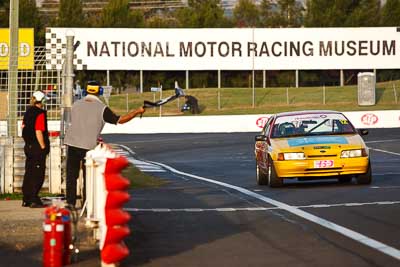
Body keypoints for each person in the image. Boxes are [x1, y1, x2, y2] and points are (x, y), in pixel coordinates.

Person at [64, 81, 145, 208]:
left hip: (72, 142)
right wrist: (136, 111)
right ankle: (88, 203)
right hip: (89, 146)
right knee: (88, 176)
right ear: (99, 91)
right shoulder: (102, 108)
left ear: (86, 91)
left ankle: (70, 202)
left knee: (71, 175)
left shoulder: (76, 104)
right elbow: (120, 120)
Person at [21, 91, 50, 208]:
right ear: (41, 101)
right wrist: (43, 146)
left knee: (29, 171)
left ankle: (26, 198)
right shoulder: (40, 114)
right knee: (37, 173)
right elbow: (38, 131)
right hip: (37, 147)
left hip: (28, 146)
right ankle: (34, 198)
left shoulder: (27, 112)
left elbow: (23, 128)